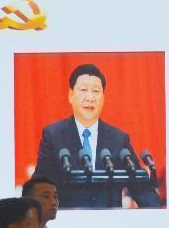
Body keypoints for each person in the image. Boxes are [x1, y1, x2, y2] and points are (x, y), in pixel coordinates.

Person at [33, 63, 162, 209]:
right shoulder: (53, 136)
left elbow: (143, 190)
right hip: (69, 221)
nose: (90, 97)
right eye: (83, 90)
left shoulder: (119, 139)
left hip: (109, 222)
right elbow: (38, 189)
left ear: (103, 98)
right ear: (71, 95)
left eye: (96, 91)